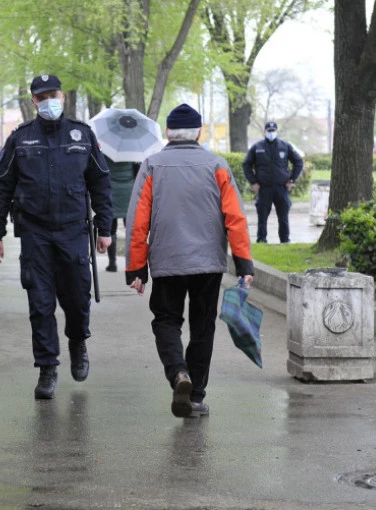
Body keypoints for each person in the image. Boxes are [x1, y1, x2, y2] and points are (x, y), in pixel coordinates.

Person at [0, 74, 112, 400]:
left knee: (77, 297)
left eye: (52, 95)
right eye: (41, 97)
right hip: (35, 233)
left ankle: (77, 342)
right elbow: (1, 187)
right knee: (40, 303)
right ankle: (47, 368)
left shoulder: (82, 135)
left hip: (73, 230)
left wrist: (106, 228)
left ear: (63, 96)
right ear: (34, 102)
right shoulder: (20, 139)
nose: (48, 101)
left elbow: (100, 182)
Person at [124, 103, 254, 418]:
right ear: (199, 133)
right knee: (202, 327)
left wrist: (136, 268)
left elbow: (137, 221)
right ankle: (195, 396)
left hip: (167, 259)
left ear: (169, 132)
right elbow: (235, 218)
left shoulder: (152, 165)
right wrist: (243, 264)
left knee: (166, 320)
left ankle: (178, 373)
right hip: (208, 263)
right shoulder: (217, 165)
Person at [242, 121, 304, 244]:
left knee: (283, 216)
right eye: (269, 131)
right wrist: (253, 182)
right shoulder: (257, 147)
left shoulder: (285, 146)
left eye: (273, 130)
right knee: (262, 216)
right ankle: (261, 240)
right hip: (264, 188)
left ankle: (285, 240)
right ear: (265, 132)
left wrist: (292, 179)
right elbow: (246, 164)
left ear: (277, 131)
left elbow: (298, 162)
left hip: (281, 187)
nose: (271, 133)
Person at [104, 155, 139, 272]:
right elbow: (137, 173)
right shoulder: (132, 153)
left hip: (111, 192)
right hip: (129, 193)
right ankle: (131, 262)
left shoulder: (106, 154)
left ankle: (112, 264)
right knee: (130, 230)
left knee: (111, 230)